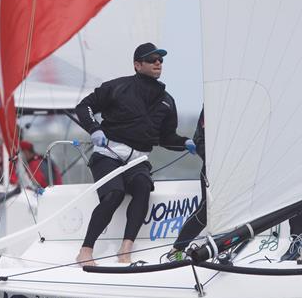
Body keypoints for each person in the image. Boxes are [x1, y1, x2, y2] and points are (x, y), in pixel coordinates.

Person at [74, 42, 196, 265]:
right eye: (152, 60)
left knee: (142, 187)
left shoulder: (167, 101)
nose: (158, 63)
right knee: (114, 194)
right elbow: (84, 107)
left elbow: (166, 138)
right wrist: (95, 129)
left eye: (161, 60)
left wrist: (185, 143)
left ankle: (125, 249)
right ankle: (85, 250)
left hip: (138, 159)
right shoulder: (117, 87)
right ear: (137, 65)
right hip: (108, 153)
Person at [165, 107, 206, 261]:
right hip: (216, 167)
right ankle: (176, 251)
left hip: (246, 168)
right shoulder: (212, 105)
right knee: (206, 211)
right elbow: (199, 140)